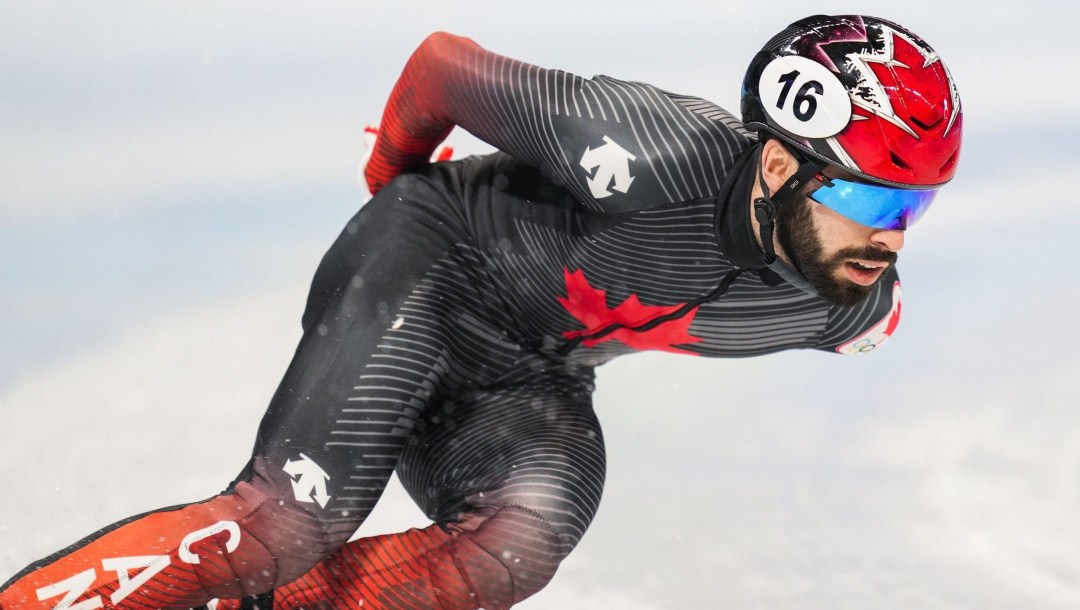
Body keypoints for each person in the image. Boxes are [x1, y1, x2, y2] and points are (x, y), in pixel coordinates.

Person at [1, 14, 961, 610]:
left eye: (917, 205)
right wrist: (392, 190)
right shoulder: (649, 149)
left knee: (518, 540)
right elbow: (443, 68)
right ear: (782, 163)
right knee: (288, 523)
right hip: (430, 262)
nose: (896, 237)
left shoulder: (846, 305)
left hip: (524, 372)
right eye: (876, 201)